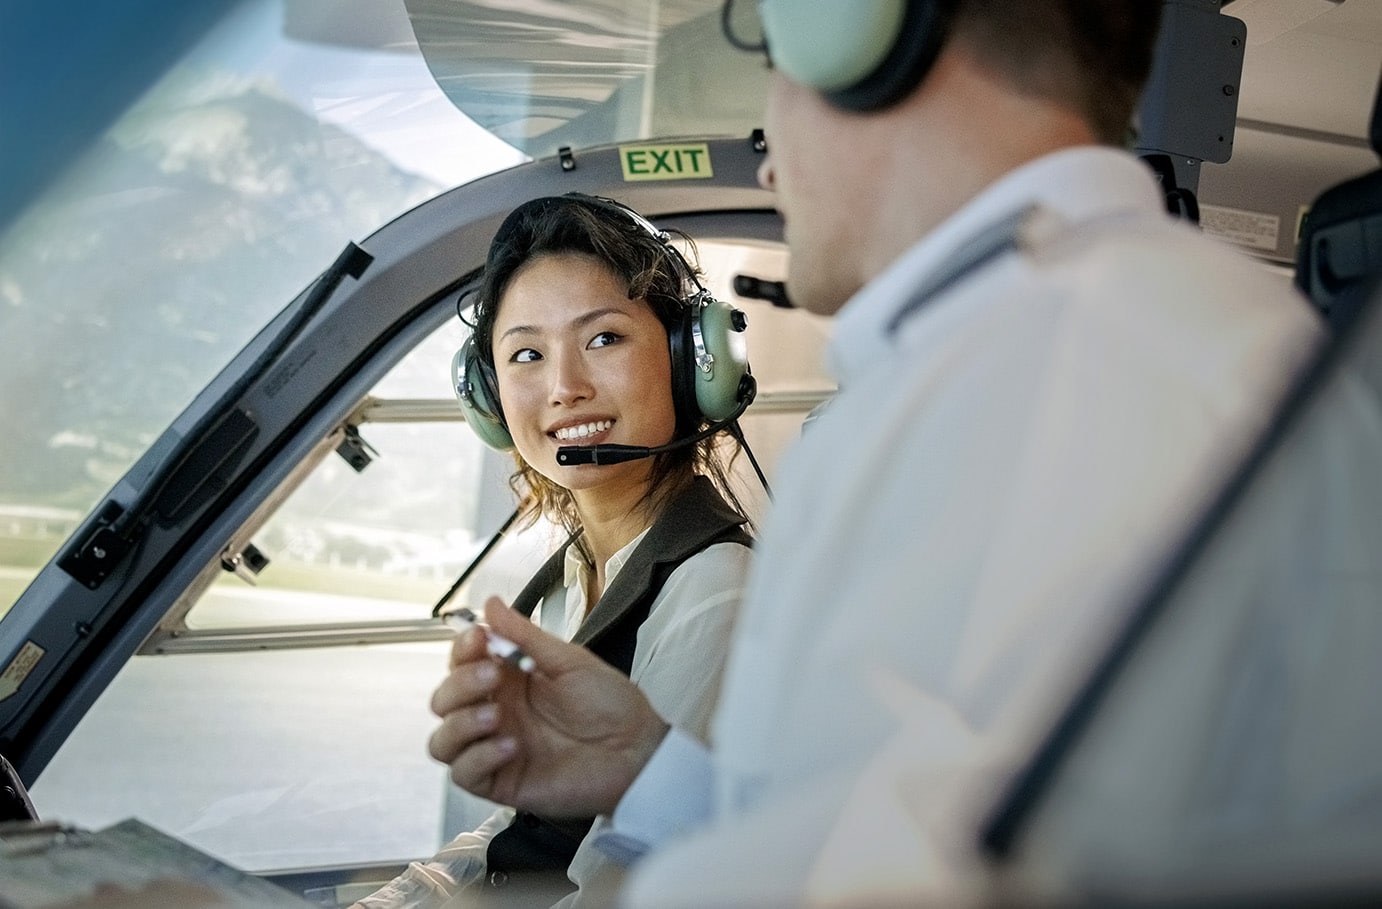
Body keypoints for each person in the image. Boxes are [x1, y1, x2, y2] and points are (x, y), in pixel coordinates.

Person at [428, 2, 1378, 905]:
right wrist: (651, 770)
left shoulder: (1054, 379)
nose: (770, 162)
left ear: (864, 30)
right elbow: (890, 828)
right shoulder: (1089, 342)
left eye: (775, 64)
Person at [354, 193, 756, 907]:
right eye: (527, 354)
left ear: (691, 361)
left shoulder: (716, 591)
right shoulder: (573, 573)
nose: (565, 388)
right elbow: (529, 830)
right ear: (489, 396)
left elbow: (627, 885)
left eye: (603, 339)